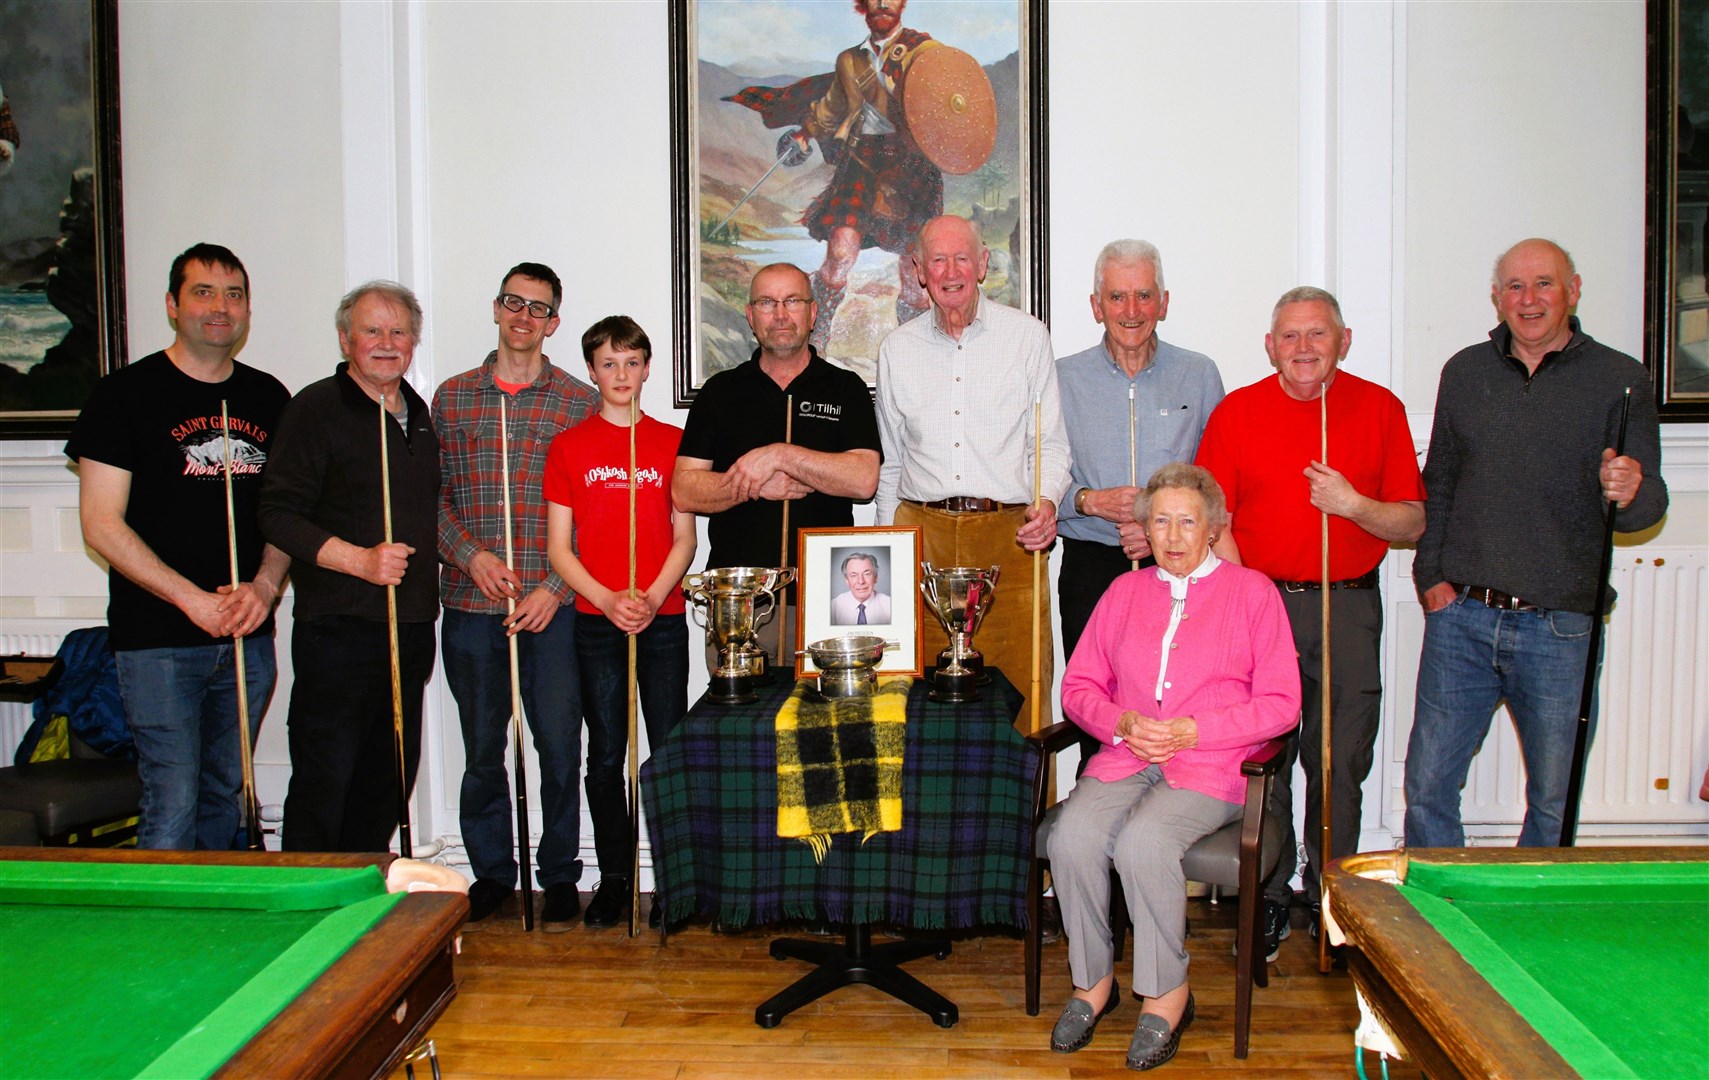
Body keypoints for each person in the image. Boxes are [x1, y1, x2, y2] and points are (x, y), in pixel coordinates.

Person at [1406, 238, 1667, 848]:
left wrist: (1630, 490)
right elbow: (1439, 481)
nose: (1529, 300)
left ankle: (1527, 926)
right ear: (1497, 299)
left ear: (1573, 291)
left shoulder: (1621, 379)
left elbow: (1643, 511)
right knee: (1428, 784)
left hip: (1562, 626)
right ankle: (1436, 923)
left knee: (1554, 796)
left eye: (1543, 284)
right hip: (1461, 616)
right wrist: (1430, 578)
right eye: (1515, 288)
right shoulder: (1465, 371)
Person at [1194, 286, 1424, 958]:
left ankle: (1333, 900)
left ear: (1342, 341)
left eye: (1316, 335)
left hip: (1348, 604)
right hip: (1264, 604)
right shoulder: (1237, 412)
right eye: (1289, 336)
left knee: (1339, 760)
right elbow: (1215, 520)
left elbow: (1410, 519)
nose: (1302, 348)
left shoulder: (1378, 408)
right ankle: (1267, 897)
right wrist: (1245, 597)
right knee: (1265, 759)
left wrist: (1352, 504)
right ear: (1269, 345)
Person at [1047, 463, 1299, 1070]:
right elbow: (1078, 686)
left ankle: (1165, 993)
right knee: (1073, 835)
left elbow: (1282, 703)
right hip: (1127, 754)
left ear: (1213, 528)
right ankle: (1093, 982)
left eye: (1188, 521)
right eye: (1161, 521)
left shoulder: (1253, 592)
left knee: (1145, 840)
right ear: (1145, 530)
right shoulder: (1124, 592)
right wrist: (1120, 723)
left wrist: (1195, 729)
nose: (1174, 534)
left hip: (1213, 763)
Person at [65, 243, 290, 850]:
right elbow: (102, 523)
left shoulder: (269, 398)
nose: (221, 307)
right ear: (172, 305)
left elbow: (286, 517)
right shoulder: (123, 396)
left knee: (225, 790)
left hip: (246, 635)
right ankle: (155, 936)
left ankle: (213, 928)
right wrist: (190, 599)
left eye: (234, 294)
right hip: (158, 638)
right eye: (204, 292)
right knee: (172, 794)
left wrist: (265, 589)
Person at [431, 262, 598, 929]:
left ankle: (558, 873)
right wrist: (469, 556)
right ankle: (494, 872)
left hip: (551, 610)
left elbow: (595, 512)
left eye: (538, 308)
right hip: (472, 607)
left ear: (553, 322)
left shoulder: (578, 402)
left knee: (558, 746)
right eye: (513, 303)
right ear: (496, 310)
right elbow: (431, 498)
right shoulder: (452, 399)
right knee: (481, 748)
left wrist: (556, 588)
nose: (523, 317)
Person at [259, 281, 440, 854]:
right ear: (345, 339)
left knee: (387, 780)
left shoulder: (419, 413)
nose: (386, 343)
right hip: (339, 630)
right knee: (325, 781)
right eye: (371, 331)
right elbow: (277, 515)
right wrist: (359, 561)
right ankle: (306, 913)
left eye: (398, 331)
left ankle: (360, 904)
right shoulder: (315, 409)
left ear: (413, 341)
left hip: (408, 628)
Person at [875, 214, 1070, 724]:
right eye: (937, 259)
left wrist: (1046, 502)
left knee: (1022, 691)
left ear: (982, 264)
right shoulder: (897, 350)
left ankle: (1029, 806)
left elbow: (1049, 444)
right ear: (919, 270)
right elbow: (891, 462)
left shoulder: (1027, 338)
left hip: (1010, 537)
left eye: (962, 257)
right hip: (923, 539)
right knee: (919, 697)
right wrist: (886, 549)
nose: (951, 270)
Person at [546, 316, 696, 930]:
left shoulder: (673, 442)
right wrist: (609, 600)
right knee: (606, 754)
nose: (621, 375)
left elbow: (685, 539)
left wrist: (652, 595)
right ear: (591, 371)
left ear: (647, 368)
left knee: (666, 750)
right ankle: (614, 879)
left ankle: (671, 882)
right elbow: (560, 549)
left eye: (632, 363)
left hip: (661, 618)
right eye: (609, 364)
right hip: (595, 619)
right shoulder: (570, 447)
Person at [1057, 239, 1224, 765]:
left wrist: (1155, 526)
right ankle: (1094, 810)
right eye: (1117, 297)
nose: (1131, 311)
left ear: (1164, 302)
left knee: (1178, 699)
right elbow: (1032, 479)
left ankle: (1171, 814)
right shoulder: (1061, 378)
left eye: (1144, 296)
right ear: (1095, 305)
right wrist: (1087, 501)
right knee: (1097, 706)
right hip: (1092, 564)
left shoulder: (1198, 374)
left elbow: (1215, 485)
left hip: (1178, 566)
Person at [674, 263, 881, 662]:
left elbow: (863, 480)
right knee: (740, 723)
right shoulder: (720, 392)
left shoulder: (846, 388)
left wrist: (779, 455)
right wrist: (749, 486)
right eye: (767, 302)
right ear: (751, 315)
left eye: (792, 301)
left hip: (826, 602)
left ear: (813, 312)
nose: (781, 314)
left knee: (827, 724)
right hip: (740, 605)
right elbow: (684, 489)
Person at [723, 0, 943, 348]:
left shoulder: (925, 53)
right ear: (863, 6)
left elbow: (946, 104)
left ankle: (913, 346)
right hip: (863, 158)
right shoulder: (850, 61)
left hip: (911, 163)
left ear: (902, 3)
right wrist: (805, 132)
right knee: (841, 251)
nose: (883, 3)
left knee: (914, 272)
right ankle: (818, 330)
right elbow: (832, 106)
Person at [829, 551, 892, 625]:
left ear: (876, 577)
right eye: (854, 575)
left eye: (867, 574)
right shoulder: (833, 608)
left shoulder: (889, 605)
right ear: (847, 580)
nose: (861, 581)